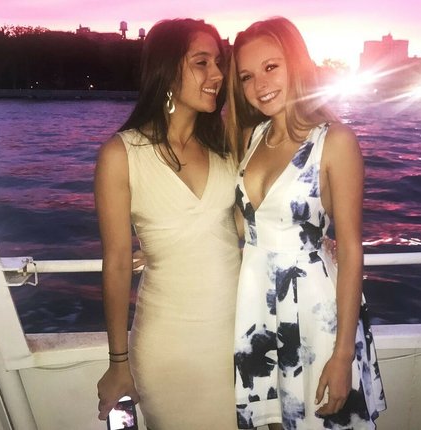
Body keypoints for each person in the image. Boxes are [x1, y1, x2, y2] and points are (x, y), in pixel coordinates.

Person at [226, 17, 386, 429]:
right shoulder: (251, 138)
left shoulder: (334, 141)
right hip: (256, 304)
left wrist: (342, 355)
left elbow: (351, 249)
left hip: (314, 311)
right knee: (274, 421)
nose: (260, 84)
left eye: (271, 67)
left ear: (296, 65)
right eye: (247, 76)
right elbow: (239, 226)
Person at [95, 18, 241, 430]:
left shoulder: (227, 147)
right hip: (168, 346)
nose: (218, 74)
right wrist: (118, 363)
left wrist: (311, 238)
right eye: (202, 62)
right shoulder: (121, 155)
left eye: (219, 62)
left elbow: (246, 227)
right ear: (167, 69)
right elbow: (117, 263)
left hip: (239, 338)